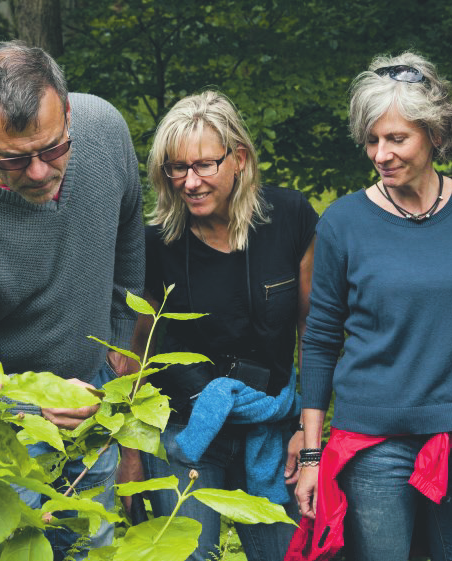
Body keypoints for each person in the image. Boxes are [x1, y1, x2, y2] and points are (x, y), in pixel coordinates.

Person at [296, 52, 452, 561]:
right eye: (372, 140)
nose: (381, 153)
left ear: (436, 135)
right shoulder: (342, 222)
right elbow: (318, 343)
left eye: (397, 138)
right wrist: (312, 454)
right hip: (373, 447)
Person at [0, 41, 144, 560]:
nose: (40, 172)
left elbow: (130, 229)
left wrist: (118, 337)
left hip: (94, 392)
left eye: (53, 149)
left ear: (68, 114)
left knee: (92, 547)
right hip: (7, 432)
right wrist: (31, 402)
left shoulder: (104, 128)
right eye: (16, 158)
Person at [140, 90, 318, 561]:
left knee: (287, 553)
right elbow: (139, 344)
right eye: (176, 168)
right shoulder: (157, 243)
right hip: (185, 428)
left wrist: (309, 430)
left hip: (271, 423)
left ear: (239, 158)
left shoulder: (290, 218)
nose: (190, 182)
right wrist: (131, 450)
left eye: (203, 165)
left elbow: (313, 332)